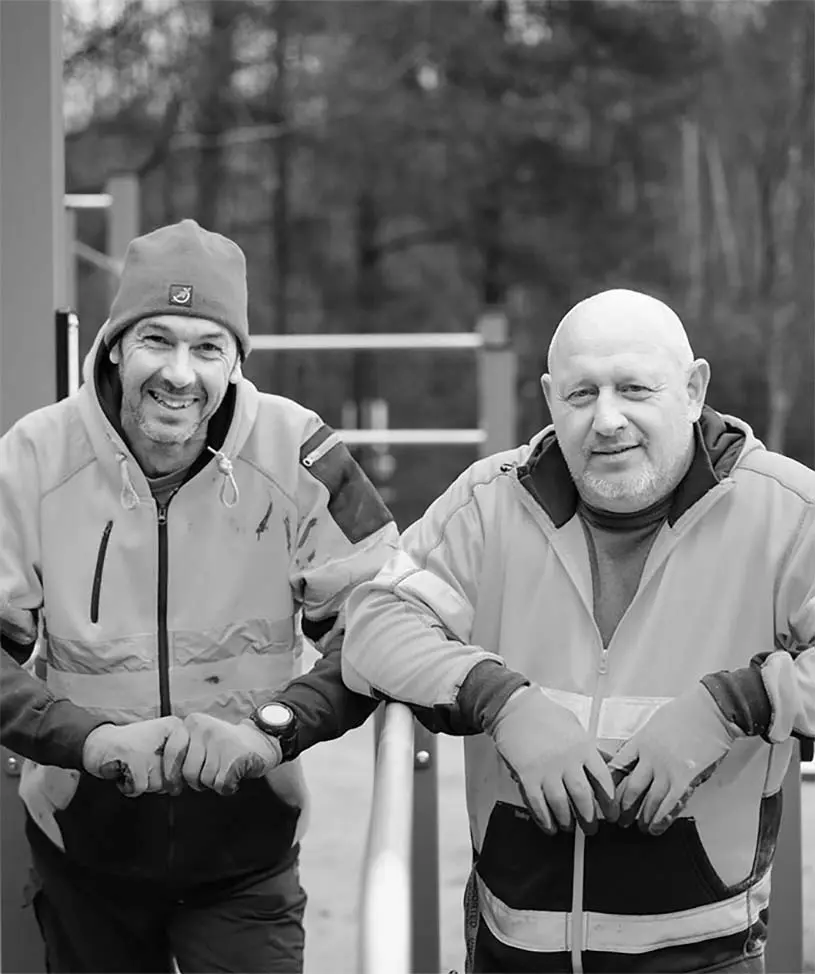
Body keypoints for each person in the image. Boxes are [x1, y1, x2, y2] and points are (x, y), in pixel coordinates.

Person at [342, 288, 815, 974]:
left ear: (692, 389)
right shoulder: (490, 503)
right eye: (581, 393)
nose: (606, 418)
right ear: (547, 398)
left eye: (633, 388)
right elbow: (375, 622)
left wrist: (734, 704)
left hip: (704, 953)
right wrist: (501, 701)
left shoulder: (786, 512)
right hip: (514, 944)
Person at [0, 218, 398, 973]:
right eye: (157, 339)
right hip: (84, 858)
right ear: (115, 344)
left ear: (235, 362)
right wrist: (86, 741)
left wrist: (272, 729)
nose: (180, 374)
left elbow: (386, 622)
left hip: (247, 858)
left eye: (207, 347)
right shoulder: (32, 457)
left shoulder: (296, 449)